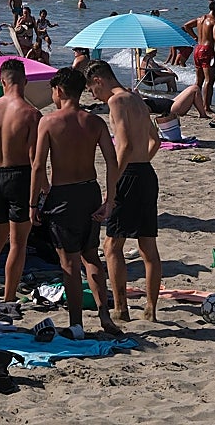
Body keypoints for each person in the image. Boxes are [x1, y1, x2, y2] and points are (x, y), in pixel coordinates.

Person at [31, 68, 121, 337]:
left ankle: (76, 324)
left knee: (69, 263)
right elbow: (112, 161)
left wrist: (33, 204)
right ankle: (104, 315)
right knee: (91, 255)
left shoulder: (48, 122)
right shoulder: (95, 122)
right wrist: (110, 199)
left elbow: (38, 166)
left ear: (59, 91)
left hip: (63, 195)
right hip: (89, 191)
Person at [85, 60, 162, 323]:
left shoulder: (116, 101)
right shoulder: (138, 99)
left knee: (112, 245)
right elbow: (155, 141)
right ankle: (151, 308)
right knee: (147, 246)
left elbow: (125, 145)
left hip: (129, 174)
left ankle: (121, 308)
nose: (94, 96)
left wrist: (113, 183)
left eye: (92, 90)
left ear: (99, 80)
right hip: (146, 172)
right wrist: (142, 162)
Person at [0, 59, 41, 304]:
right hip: (20, 175)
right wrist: (42, 186)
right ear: (24, 81)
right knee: (18, 243)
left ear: (1, 81)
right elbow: (35, 157)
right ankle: (9, 295)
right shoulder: (31, 114)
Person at [184, 0, 215, 110]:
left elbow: (186, 26)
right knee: (209, 80)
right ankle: (206, 106)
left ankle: (193, 102)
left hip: (198, 48)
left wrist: (195, 37)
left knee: (199, 80)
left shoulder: (200, 19)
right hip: (207, 50)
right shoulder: (214, 22)